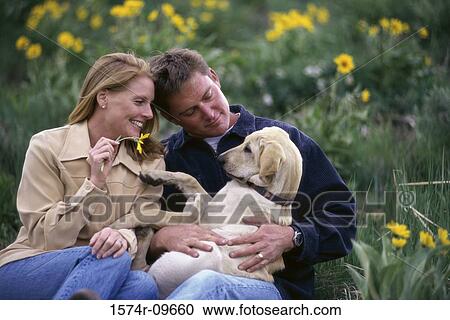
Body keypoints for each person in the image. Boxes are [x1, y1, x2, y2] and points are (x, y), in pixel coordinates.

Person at [147, 48, 356, 299]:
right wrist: (159, 239)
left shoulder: (285, 143)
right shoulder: (165, 159)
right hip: (184, 281)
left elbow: (343, 218)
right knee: (140, 285)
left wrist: (293, 236)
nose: (209, 113)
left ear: (214, 77)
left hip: (271, 288)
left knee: (210, 284)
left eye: (208, 96)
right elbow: (137, 221)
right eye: (190, 111)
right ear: (171, 117)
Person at [0, 52, 164, 299]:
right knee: (110, 258)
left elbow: (142, 228)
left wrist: (123, 236)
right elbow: (46, 239)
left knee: (143, 286)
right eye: (139, 102)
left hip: (103, 270)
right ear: (103, 97)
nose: (149, 114)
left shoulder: (151, 162)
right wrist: (93, 184)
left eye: (150, 104)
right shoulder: (46, 146)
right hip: (30, 265)